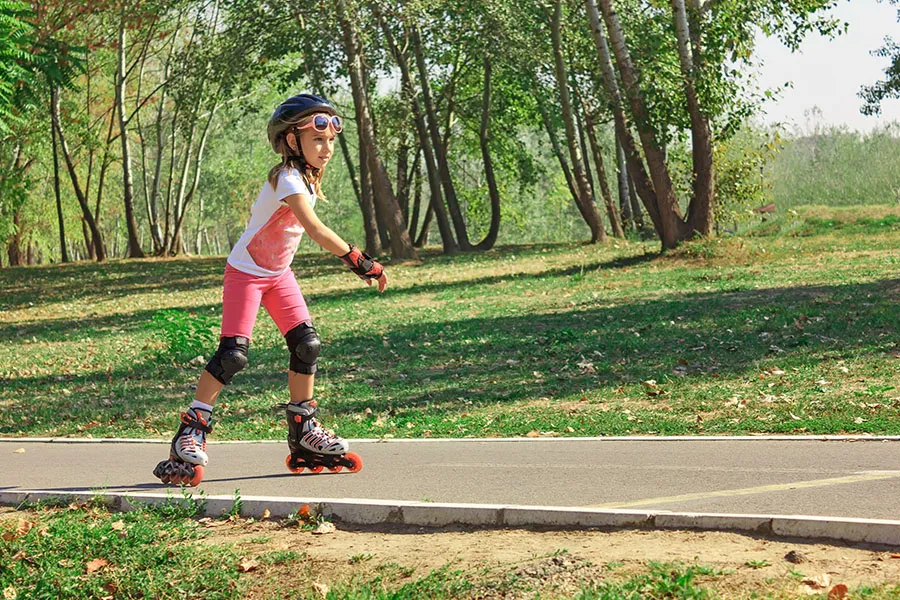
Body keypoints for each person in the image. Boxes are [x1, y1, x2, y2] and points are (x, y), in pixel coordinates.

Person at [154, 93, 387, 486]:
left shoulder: (306, 178)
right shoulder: (288, 178)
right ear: (291, 141)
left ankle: (304, 432)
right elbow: (314, 230)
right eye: (318, 140)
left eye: (331, 140)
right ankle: (190, 432)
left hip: (278, 274)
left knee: (307, 345)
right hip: (246, 273)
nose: (327, 148)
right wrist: (359, 260)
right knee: (233, 355)